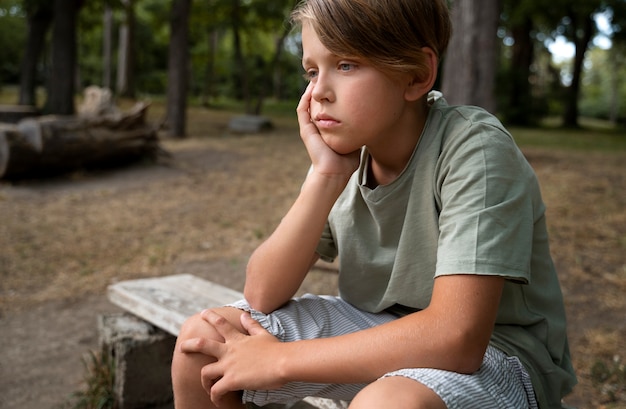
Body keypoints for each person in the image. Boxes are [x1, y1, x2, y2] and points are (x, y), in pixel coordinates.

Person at [171, 0, 578, 407]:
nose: (319, 93)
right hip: (379, 327)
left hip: (498, 353)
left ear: (416, 75)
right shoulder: (352, 160)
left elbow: (459, 339)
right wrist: (325, 177)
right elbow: (261, 292)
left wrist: (281, 360)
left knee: (387, 403)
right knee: (201, 343)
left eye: (346, 65)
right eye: (312, 71)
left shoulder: (475, 149)